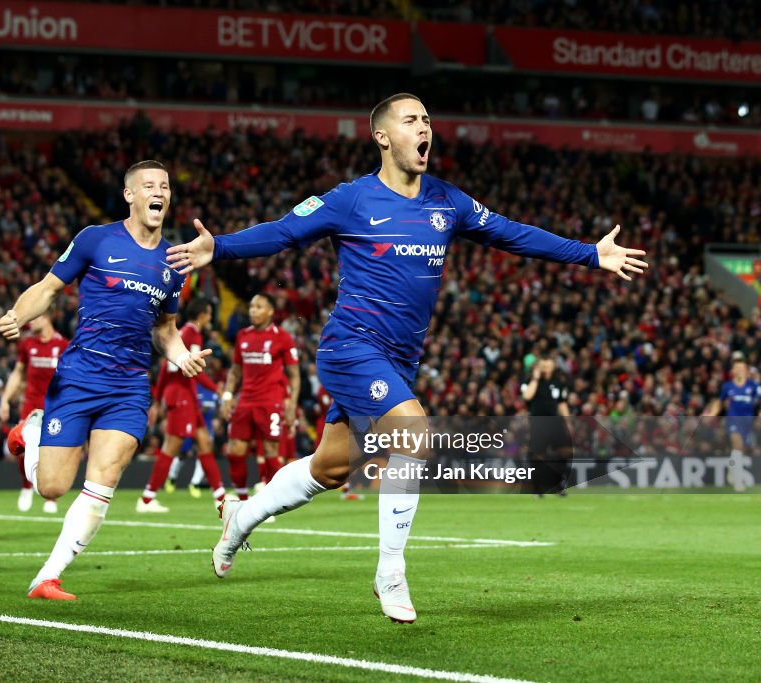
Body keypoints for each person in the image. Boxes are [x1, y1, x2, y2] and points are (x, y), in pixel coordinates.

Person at [167, 93, 648, 623]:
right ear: (382, 136)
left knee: (328, 470)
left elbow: (512, 234)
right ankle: (390, 570)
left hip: (399, 361)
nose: (426, 128)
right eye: (412, 120)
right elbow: (284, 232)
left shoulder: (447, 202)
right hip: (351, 347)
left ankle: (240, 518)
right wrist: (221, 249)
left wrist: (589, 254)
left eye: (428, 120)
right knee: (414, 433)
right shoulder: (351, 200)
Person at [0, 160, 211, 600]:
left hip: (130, 385)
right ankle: (33, 430)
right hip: (80, 375)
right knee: (52, 487)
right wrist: (18, 314)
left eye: (165, 186)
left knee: (104, 479)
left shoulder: (173, 264)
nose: (160, 192)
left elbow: (165, 331)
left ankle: (47, 577)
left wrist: (182, 357)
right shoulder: (96, 239)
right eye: (149, 185)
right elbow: (49, 287)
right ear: (130, 195)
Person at [138, 298, 227, 512]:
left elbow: (166, 369)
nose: (211, 318)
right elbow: (192, 370)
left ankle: (220, 497)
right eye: (209, 314)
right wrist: (217, 389)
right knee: (172, 445)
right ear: (203, 314)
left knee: (204, 442)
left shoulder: (183, 333)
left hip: (182, 394)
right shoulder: (191, 334)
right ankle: (147, 500)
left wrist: (159, 399)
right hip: (181, 395)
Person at [220, 293, 299, 501]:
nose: (253, 310)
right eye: (252, 306)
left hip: (270, 401)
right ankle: (243, 499)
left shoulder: (282, 337)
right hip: (245, 401)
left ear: (270, 311)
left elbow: (294, 375)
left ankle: (269, 502)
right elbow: (235, 371)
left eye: (258, 306)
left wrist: (291, 407)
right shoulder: (243, 336)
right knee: (235, 451)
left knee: (272, 452)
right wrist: (228, 395)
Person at [0, 312, 68, 513]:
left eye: (35, 318)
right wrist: (5, 399)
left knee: (54, 451)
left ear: (47, 318)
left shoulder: (63, 345)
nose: (31, 322)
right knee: (21, 447)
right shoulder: (27, 345)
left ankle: (51, 496)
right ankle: (26, 486)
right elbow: (18, 373)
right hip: (31, 405)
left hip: (55, 405)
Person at [520, 354, 573, 497]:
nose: (546, 368)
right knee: (538, 455)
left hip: (555, 421)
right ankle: (537, 488)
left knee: (566, 451)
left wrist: (568, 421)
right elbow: (527, 396)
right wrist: (536, 378)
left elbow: (562, 403)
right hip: (538, 422)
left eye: (548, 366)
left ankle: (558, 484)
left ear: (553, 367)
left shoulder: (558, 383)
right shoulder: (530, 381)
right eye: (543, 366)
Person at [705, 351, 756, 492]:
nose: (739, 371)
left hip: (748, 421)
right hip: (733, 419)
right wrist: (712, 414)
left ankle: (732, 468)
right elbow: (719, 402)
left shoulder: (753, 386)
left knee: (740, 450)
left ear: (746, 371)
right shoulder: (728, 387)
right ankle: (738, 482)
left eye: (742, 368)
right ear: (733, 371)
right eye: (737, 368)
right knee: (737, 444)